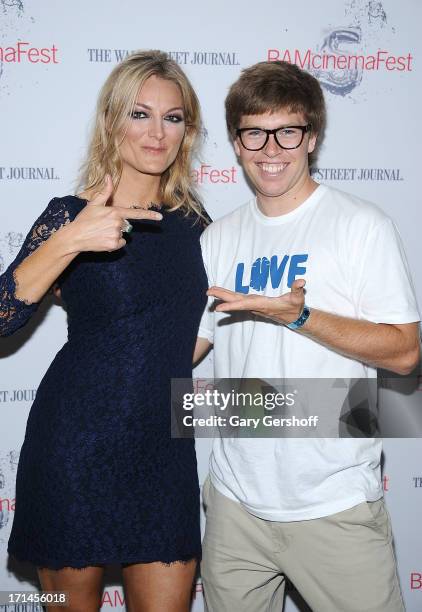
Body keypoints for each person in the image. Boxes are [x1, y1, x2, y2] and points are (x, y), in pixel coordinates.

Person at [193, 60, 421, 612]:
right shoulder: (217, 237)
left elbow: (406, 351)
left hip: (334, 503)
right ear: (236, 141)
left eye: (287, 130)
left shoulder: (360, 225)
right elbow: (187, 348)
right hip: (235, 507)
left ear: (311, 137)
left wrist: (300, 316)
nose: (271, 148)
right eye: (255, 132)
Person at [1, 50, 209, 612]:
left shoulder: (197, 227)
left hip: (163, 454)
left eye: (174, 117)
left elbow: (196, 329)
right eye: (140, 114)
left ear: (187, 130)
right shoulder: (70, 214)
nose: (157, 132)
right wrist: (69, 239)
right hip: (74, 448)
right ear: (112, 120)